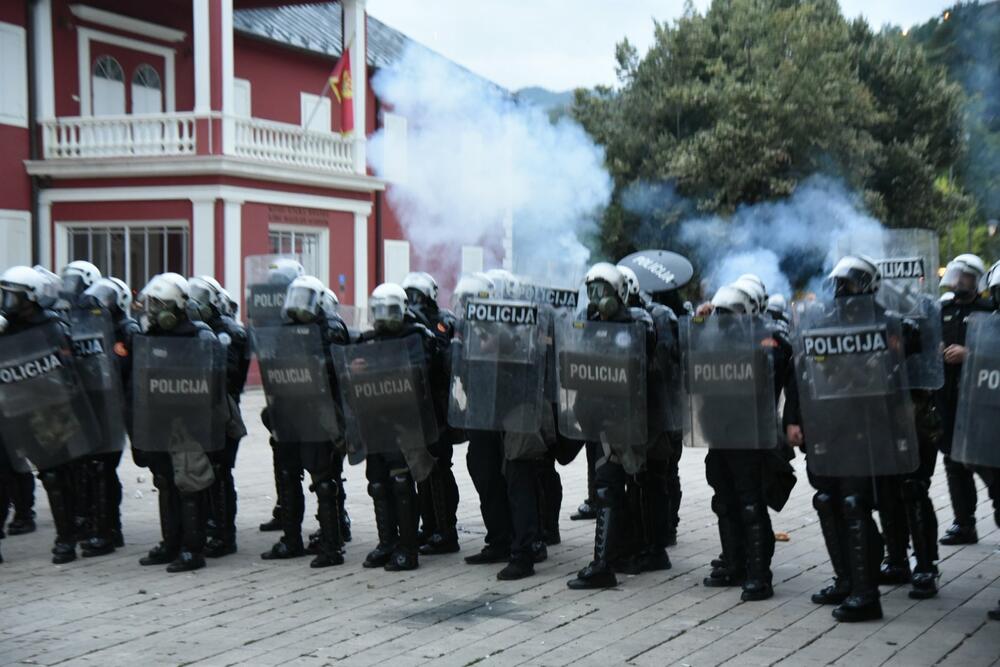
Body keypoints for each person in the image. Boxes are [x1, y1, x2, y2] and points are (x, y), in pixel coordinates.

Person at [786, 255, 918, 622]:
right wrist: (794, 419)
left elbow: (915, 343)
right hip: (829, 426)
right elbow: (801, 371)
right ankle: (846, 580)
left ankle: (866, 594)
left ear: (869, 286)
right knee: (827, 500)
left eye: (852, 283)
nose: (843, 291)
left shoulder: (886, 321)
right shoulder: (821, 320)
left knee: (853, 503)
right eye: (840, 283)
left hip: (869, 425)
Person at [695, 283, 794, 601]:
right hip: (718, 433)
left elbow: (777, 359)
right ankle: (734, 564)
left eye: (730, 314)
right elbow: (688, 357)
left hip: (749, 434)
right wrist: (700, 323)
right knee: (724, 500)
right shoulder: (714, 335)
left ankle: (759, 574)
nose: (724, 319)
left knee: (751, 503)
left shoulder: (768, 338)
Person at [565, 263, 656, 589]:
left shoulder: (635, 322)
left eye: (603, 290)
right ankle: (623, 553)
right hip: (596, 418)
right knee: (614, 485)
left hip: (621, 419)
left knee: (608, 487)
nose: (596, 297)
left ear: (619, 293)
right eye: (592, 291)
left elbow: (645, 354)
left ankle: (604, 564)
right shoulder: (588, 322)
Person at [352, 283, 448, 571]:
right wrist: (354, 368)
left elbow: (422, 372)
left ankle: (408, 548)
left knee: (401, 482)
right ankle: (387, 542)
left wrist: (377, 367)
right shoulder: (368, 339)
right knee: (378, 484)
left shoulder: (418, 336)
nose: (383, 317)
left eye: (389, 310)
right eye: (378, 311)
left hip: (407, 421)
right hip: (376, 420)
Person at [0, 266, 92, 564]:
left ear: (32, 297)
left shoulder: (53, 327)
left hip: (46, 411)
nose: (6, 301)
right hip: (6, 409)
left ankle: (66, 538)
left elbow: (68, 372)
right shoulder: (3, 327)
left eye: (12, 296)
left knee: (55, 476)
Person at [260, 275, 350, 568]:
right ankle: (291, 539)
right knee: (287, 475)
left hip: (320, 413)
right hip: (290, 410)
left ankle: (331, 544)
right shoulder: (285, 329)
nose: (299, 305)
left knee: (324, 480)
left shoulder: (331, 328)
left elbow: (332, 367)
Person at [134, 273, 221, 572]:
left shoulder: (200, 336)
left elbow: (213, 383)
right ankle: (170, 543)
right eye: (151, 304)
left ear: (178, 306)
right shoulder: (151, 336)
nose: (153, 311)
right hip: (159, 421)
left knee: (189, 484)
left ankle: (192, 550)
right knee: (165, 483)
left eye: (160, 305)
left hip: (188, 424)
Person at [936, 254, 999, 545]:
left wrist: (968, 355)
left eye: (965, 275)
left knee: (984, 462)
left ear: (976, 279)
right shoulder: (942, 309)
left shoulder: (989, 310)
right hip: (948, 396)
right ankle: (964, 523)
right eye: (956, 274)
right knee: (952, 460)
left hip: (980, 397)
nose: (958, 280)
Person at [75, 277, 140, 557]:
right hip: (94, 406)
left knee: (103, 468)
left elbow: (133, 369)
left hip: (116, 407)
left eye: (107, 296)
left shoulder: (127, 329)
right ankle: (100, 526)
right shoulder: (88, 326)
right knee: (92, 468)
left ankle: (108, 532)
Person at [189, 276, 250, 558]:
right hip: (197, 410)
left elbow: (229, 374)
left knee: (220, 472)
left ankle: (224, 535)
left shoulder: (230, 332)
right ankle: (207, 527)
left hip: (223, 410)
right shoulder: (195, 330)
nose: (195, 302)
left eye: (201, 296)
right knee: (201, 472)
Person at [402, 271, 461, 555]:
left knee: (438, 468)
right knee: (422, 470)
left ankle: (446, 531)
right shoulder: (403, 324)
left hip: (437, 405)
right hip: (413, 405)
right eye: (408, 295)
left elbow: (448, 361)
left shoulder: (444, 320)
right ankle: (430, 527)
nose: (413, 301)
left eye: (418, 295)